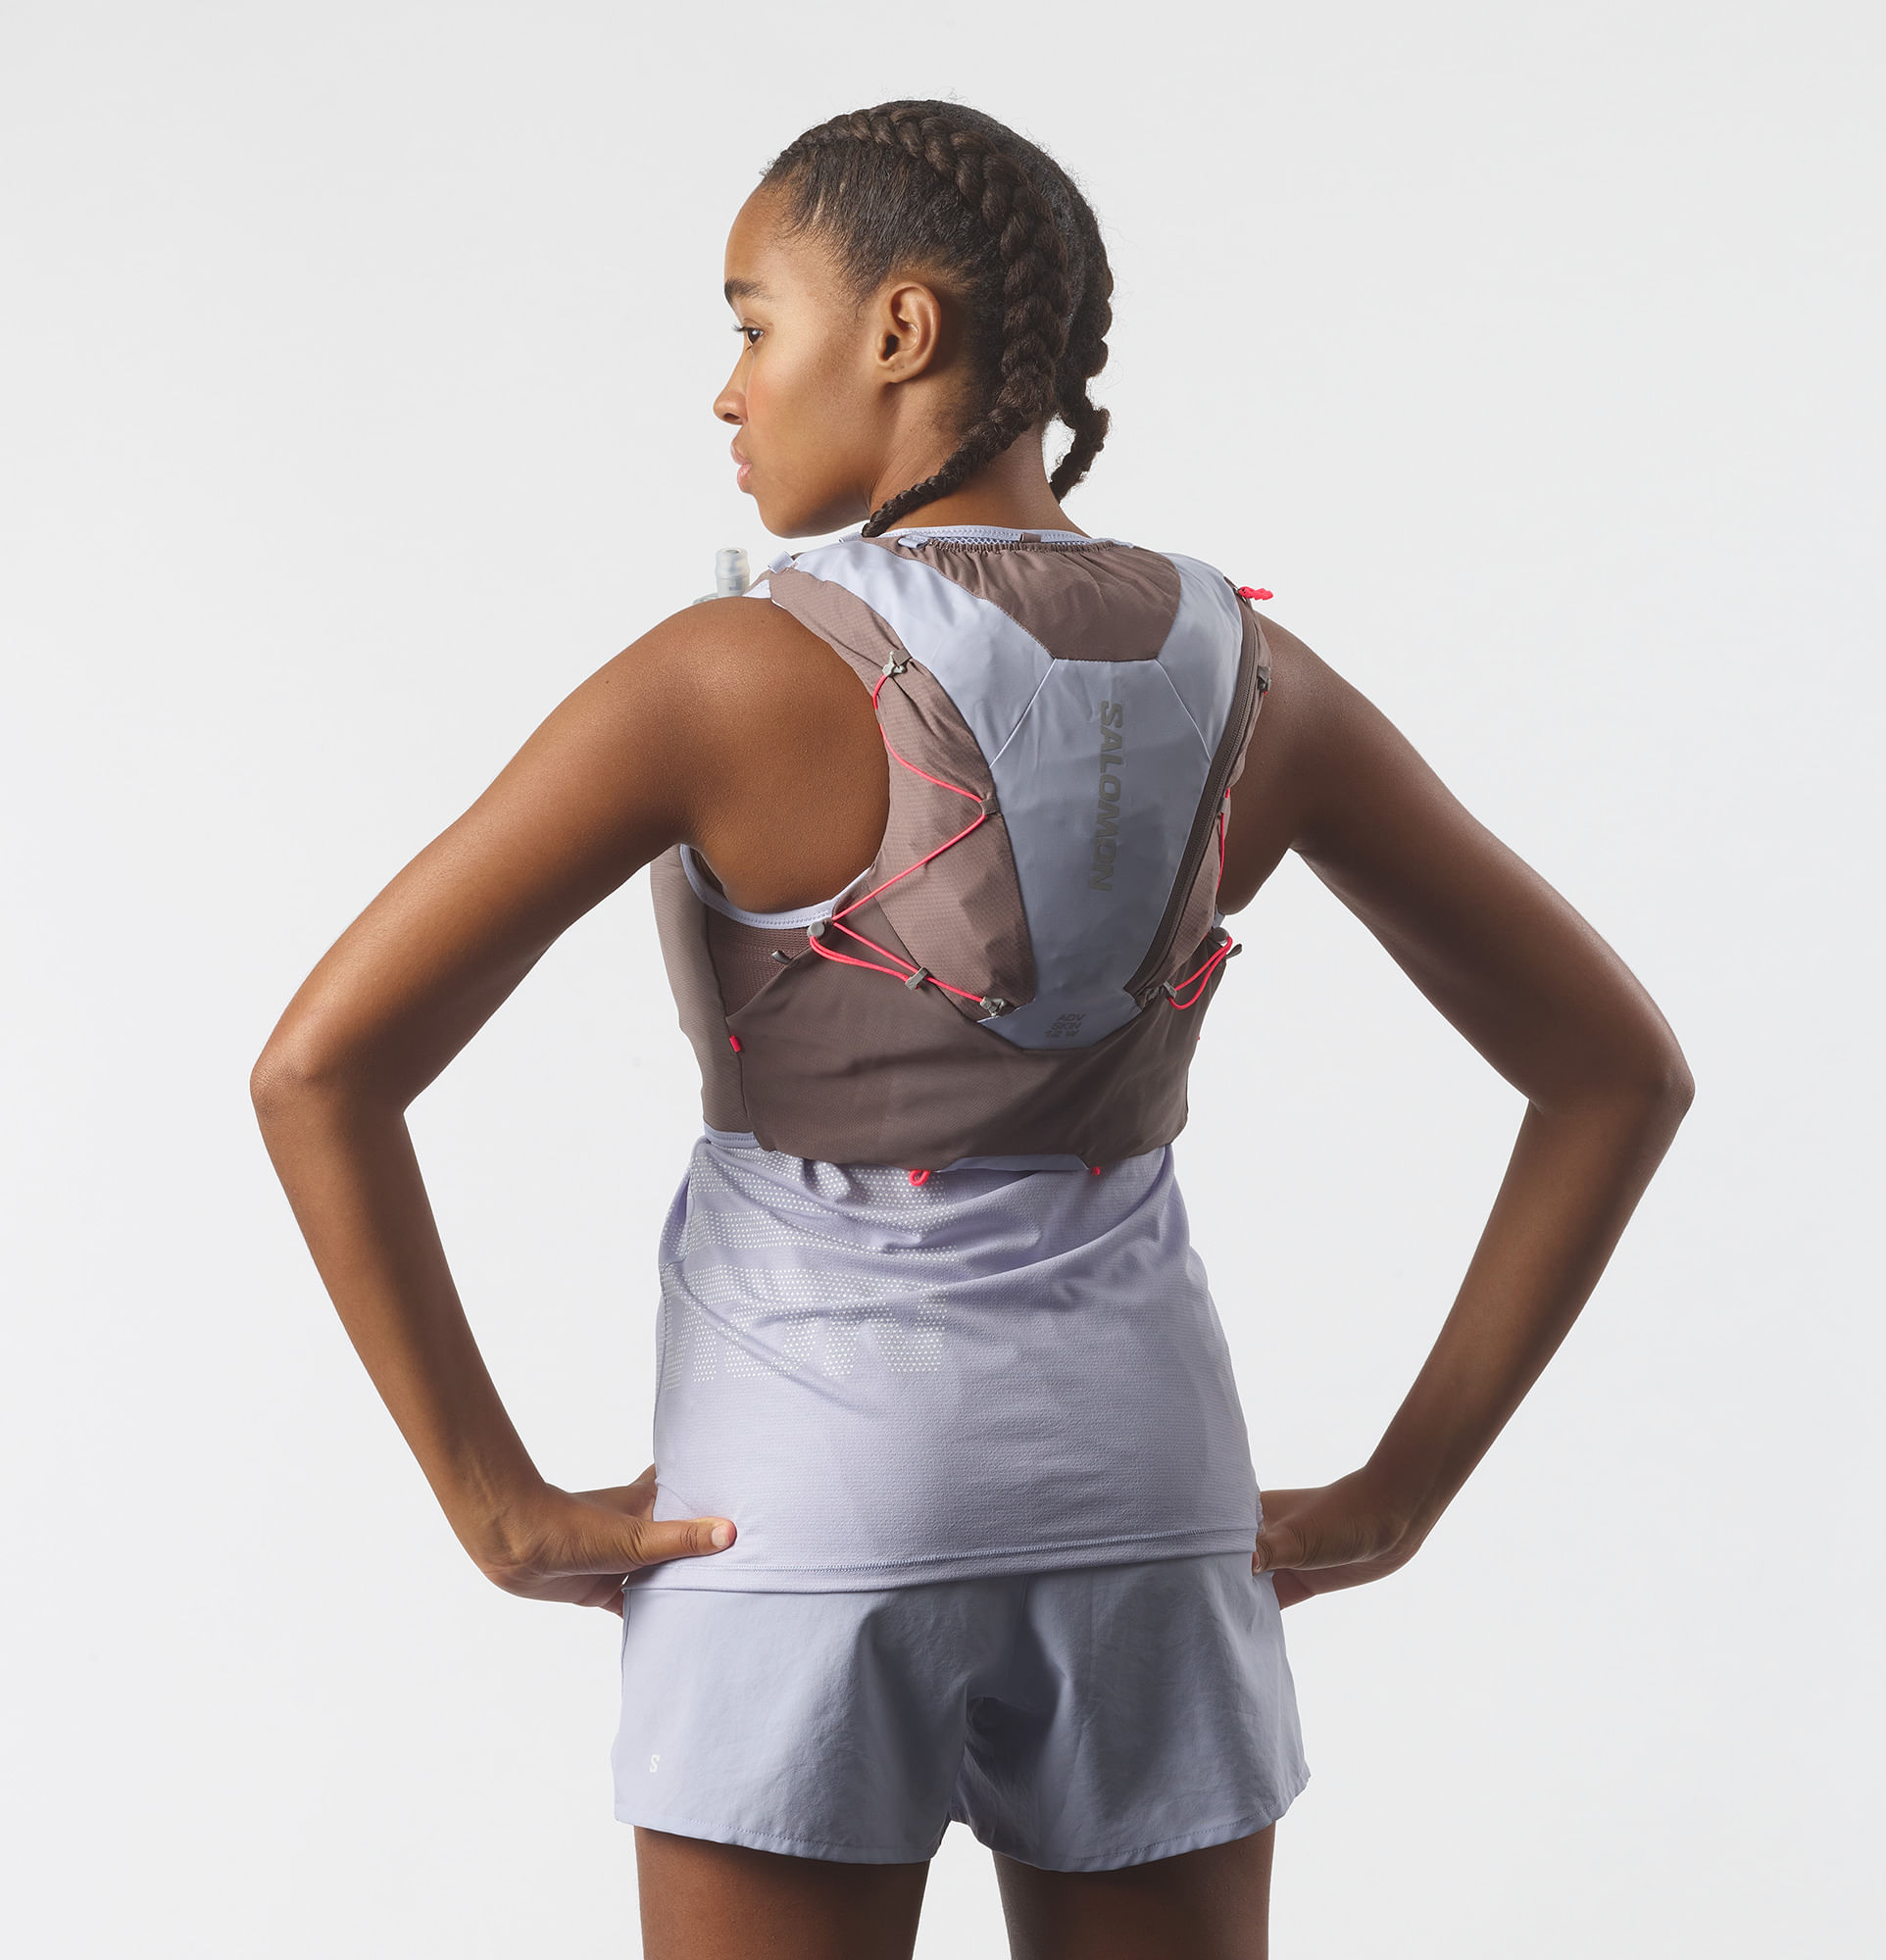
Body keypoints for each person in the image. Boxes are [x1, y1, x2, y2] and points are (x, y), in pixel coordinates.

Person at [251, 100, 1693, 1960]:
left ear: (901, 330)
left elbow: (319, 1066)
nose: (727, 392)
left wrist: (496, 1500)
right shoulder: (1265, 682)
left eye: (752, 324)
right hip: (1152, 1504)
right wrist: (1401, 1494)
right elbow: (1616, 1071)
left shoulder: (721, 675)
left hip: (799, 1522)